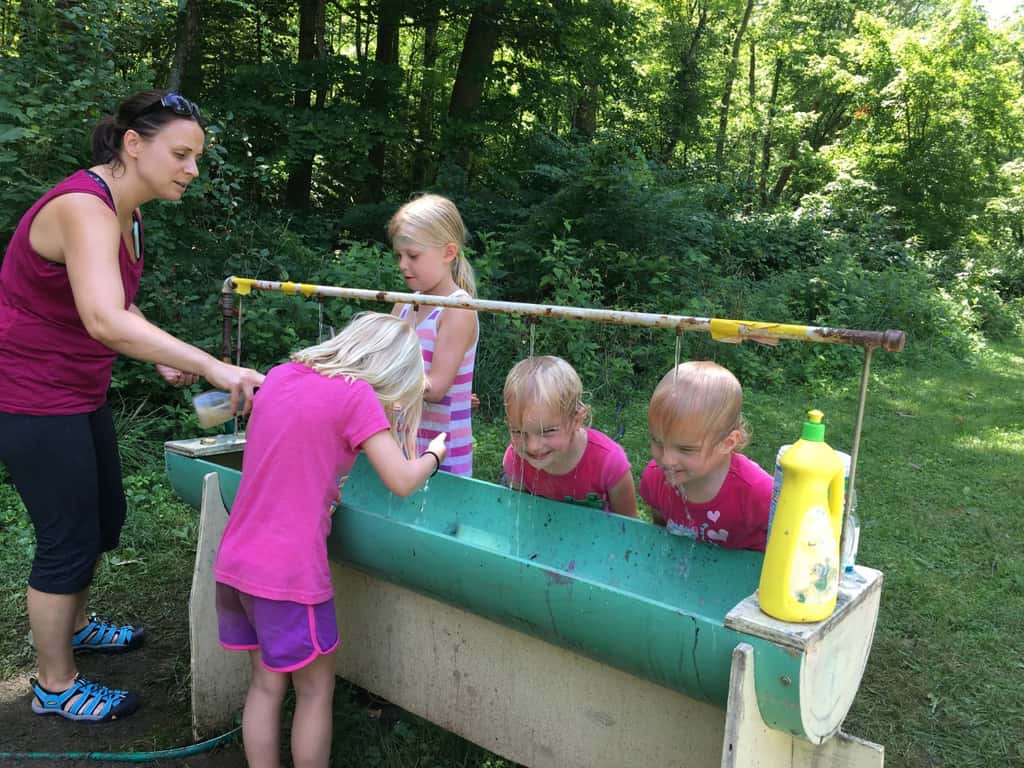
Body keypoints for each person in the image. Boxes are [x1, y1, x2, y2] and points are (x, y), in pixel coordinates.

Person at [0, 89, 264, 723]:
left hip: (77, 391)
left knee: (103, 517)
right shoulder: (83, 208)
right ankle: (55, 686)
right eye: (181, 154)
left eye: (197, 158)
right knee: (66, 538)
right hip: (30, 394)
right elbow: (100, 318)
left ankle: (78, 623)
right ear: (134, 144)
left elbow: (116, 304)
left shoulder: (129, 211)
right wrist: (207, 362)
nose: (192, 170)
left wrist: (158, 351)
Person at [214, 312, 445, 768]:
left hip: (236, 562)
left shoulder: (280, 376)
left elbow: (293, 455)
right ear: (390, 371)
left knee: (264, 684)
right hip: (290, 575)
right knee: (315, 690)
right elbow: (400, 479)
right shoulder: (357, 395)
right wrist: (434, 455)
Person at [639, 361, 772, 551]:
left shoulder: (759, 493)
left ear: (727, 443)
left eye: (686, 449)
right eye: (658, 442)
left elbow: (792, 548)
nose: (667, 460)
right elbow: (660, 530)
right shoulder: (655, 478)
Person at [390, 194, 478, 476]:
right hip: (400, 444)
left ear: (448, 252)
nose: (403, 265)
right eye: (399, 256)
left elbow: (436, 388)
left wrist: (375, 381)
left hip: (443, 452)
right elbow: (383, 360)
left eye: (413, 255)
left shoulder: (458, 308)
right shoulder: (404, 304)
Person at [502, 356, 637, 518]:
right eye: (518, 431)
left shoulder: (609, 463)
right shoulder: (516, 460)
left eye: (548, 430)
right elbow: (519, 513)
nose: (532, 446)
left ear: (577, 420)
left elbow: (628, 528)